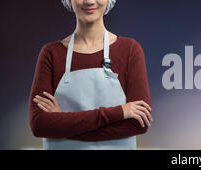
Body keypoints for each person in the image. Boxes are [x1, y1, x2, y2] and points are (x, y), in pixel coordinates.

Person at [28, 0, 152, 150]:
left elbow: (139, 124)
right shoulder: (51, 54)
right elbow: (39, 125)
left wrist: (63, 125)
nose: (89, 1)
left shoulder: (130, 50)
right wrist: (119, 112)